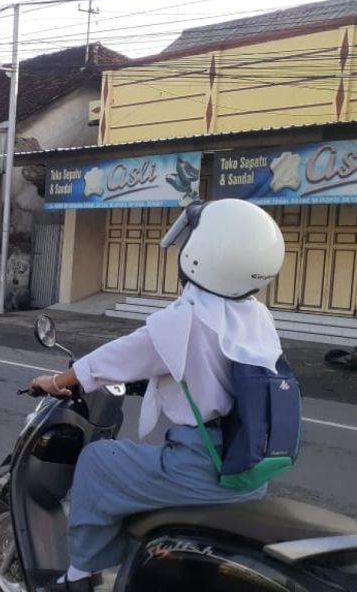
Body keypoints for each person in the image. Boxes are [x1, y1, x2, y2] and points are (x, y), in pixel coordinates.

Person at [30, 198, 286, 591]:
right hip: (249, 468)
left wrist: (54, 381)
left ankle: (79, 576)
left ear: (201, 254)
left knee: (98, 460)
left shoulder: (182, 321)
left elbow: (109, 360)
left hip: (201, 467)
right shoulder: (257, 316)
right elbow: (212, 373)